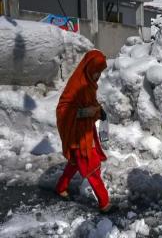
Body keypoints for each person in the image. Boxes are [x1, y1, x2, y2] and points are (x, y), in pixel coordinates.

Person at [55, 49, 113, 213]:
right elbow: (63, 109)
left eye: (99, 72)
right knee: (91, 165)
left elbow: (90, 104)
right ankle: (104, 203)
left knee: (75, 162)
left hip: (86, 131)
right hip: (77, 134)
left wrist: (98, 111)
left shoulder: (88, 84)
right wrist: (87, 112)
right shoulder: (76, 85)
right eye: (96, 72)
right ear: (88, 67)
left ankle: (61, 187)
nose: (97, 76)